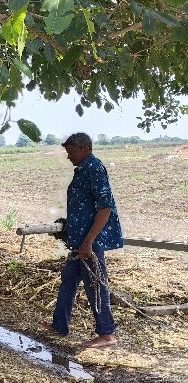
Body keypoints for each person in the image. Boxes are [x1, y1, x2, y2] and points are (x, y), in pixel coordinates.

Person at [43, 132, 124, 348]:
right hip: (79, 240)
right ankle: (60, 324)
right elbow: (83, 208)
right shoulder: (82, 171)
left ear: (85, 149)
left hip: (90, 241)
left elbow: (105, 208)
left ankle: (106, 334)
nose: (69, 157)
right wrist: (69, 227)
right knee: (68, 281)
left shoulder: (95, 169)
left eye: (71, 152)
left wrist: (89, 241)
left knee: (96, 285)